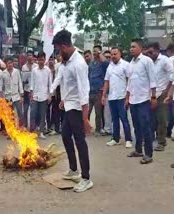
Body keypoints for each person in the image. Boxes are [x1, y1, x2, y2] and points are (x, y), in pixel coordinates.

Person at [51, 30, 93, 192]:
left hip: (77, 108)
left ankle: (86, 178)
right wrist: (63, 99)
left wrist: (85, 119)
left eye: (59, 50)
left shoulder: (79, 64)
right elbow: (69, 85)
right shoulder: (66, 63)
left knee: (80, 141)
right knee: (65, 136)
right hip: (69, 105)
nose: (58, 53)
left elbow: (84, 92)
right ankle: (74, 169)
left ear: (64, 46)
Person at [126, 38, 156, 164]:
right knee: (137, 127)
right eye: (130, 47)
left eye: (133, 47)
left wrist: (153, 97)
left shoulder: (146, 61)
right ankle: (138, 150)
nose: (131, 49)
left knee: (146, 127)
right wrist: (127, 98)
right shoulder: (130, 64)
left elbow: (153, 80)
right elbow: (129, 82)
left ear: (140, 48)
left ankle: (148, 154)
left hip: (144, 100)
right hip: (133, 100)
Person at [145, 42, 174, 152]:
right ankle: (151, 139)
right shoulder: (149, 62)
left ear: (157, 50)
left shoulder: (164, 61)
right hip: (151, 94)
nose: (150, 54)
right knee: (151, 119)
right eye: (148, 53)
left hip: (162, 93)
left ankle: (161, 142)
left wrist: (167, 91)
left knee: (161, 119)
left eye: (151, 52)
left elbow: (172, 75)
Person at [102, 47, 133, 148]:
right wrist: (103, 95)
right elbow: (106, 81)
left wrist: (128, 97)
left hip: (122, 96)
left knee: (124, 118)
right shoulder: (110, 66)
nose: (113, 56)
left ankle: (128, 139)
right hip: (112, 97)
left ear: (120, 54)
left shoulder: (126, 65)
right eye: (112, 54)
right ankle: (115, 138)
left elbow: (130, 80)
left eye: (115, 54)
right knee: (114, 119)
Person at [88, 45, 110, 135]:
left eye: (96, 51)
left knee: (98, 112)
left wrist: (100, 54)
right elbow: (88, 75)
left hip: (98, 91)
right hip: (90, 91)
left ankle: (98, 129)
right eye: (94, 51)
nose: (95, 53)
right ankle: (86, 127)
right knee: (87, 111)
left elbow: (106, 63)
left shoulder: (103, 63)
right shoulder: (91, 63)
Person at [30, 51, 52, 139]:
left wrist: (50, 95)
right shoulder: (34, 70)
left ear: (44, 59)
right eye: (39, 60)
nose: (41, 62)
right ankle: (33, 131)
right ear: (37, 60)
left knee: (43, 115)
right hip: (35, 95)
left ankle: (41, 132)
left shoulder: (48, 70)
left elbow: (50, 84)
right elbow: (32, 82)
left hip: (44, 96)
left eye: (42, 60)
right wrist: (31, 93)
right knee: (33, 114)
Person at [0, 56, 24, 127]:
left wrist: (22, 95)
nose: (10, 64)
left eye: (11, 63)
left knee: (20, 113)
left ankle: (21, 128)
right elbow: (0, 86)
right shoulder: (3, 73)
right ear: (6, 64)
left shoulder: (17, 72)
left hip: (16, 96)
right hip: (8, 97)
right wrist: (1, 96)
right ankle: (12, 130)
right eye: (8, 63)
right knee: (10, 114)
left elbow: (20, 83)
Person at [21, 50, 38, 128]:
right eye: (28, 55)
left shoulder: (36, 66)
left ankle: (32, 127)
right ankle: (25, 126)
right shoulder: (24, 67)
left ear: (33, 57)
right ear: (26, 57)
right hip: (26, 90)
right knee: (25, 108)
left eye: (31, 55)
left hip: (34, 91)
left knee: (33, 110)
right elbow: (23, 80)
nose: (29, 57)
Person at [46, 55, 60, 136]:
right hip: (48, 94)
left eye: (52, 59)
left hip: (55, 94)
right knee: (47, 111)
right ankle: (48, 126)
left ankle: (54, 127)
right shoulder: (46, 70)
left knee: (55, 111)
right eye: (49, 59)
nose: (51, 61)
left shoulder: (57, 68)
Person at [166, 43, 174, 140]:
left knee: (170, 113)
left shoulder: (169, 60)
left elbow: (170, 78)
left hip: (170, 90)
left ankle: (169, 131)